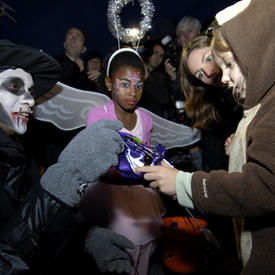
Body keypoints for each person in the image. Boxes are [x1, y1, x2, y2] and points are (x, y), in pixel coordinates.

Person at [135, 0, 275, 274]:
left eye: (215, 61)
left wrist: (185, 184)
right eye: (201, 73)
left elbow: (263, 186)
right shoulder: (225, 96)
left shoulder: (261, 96)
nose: (214, 74)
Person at [0, 39, 136, 274]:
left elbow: (25, 225)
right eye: (14, 87)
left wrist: (85, 239)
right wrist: (63, 181)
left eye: (31, 92)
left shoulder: (19, 153)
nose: (30, 100)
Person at [84, 48, 166, 275]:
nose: (133, 92)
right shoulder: (97, 116)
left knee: (144, 253)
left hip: (140, 196)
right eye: (125, 84)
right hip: (110, 197)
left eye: (139, 86)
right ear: (110, 83)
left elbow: (145, 157)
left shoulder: (146, 119)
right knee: (119, 254)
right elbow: (100, 161)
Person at [139, 39, 175, 120]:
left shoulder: (160, 77)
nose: (157, 58)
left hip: (157, 120)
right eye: (155, 53)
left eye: (161, 55)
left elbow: (164, 100)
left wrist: (147, 78)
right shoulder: (136, 70)